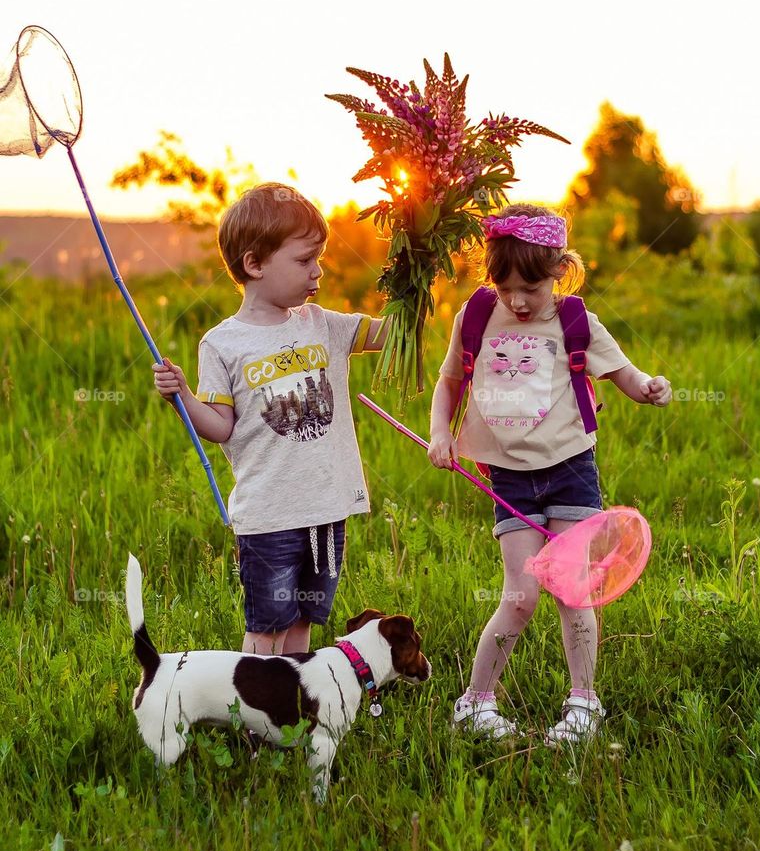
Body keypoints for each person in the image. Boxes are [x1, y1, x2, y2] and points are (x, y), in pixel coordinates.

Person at [428, 203, 671, 745]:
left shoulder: (575, 320)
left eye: (530, 289)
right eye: (506, 286)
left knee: (571, 590)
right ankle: (475, 703)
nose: (516, 300)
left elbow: (625, 375)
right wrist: (442, 432)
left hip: (569, 470)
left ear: (559, 270)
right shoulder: (475, 314)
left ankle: (584, 705)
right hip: (509, 477)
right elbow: (448, 383)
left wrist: (650, 387)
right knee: (520, 596)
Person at [153, 182, 387, 656]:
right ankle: (254, 713)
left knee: (303, 621)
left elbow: (390, 335)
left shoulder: (323, 325)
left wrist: (414, 283)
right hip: (268, 516)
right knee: (267, 626)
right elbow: (221, 426)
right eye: (304, 261)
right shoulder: (222, 344)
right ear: (255, 264)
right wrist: (183, 399)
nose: (317, 272)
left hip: (325, 509)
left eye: (318, 258)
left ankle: (292, 713)